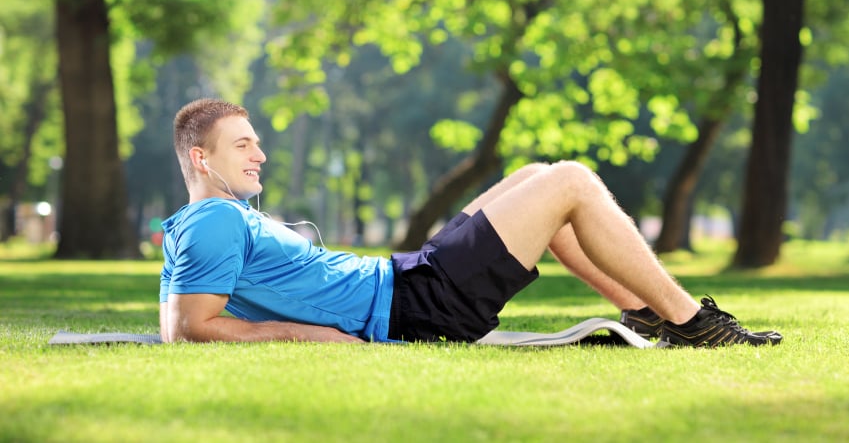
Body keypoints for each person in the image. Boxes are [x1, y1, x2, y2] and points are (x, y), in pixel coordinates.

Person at [159, 98, 782, 348]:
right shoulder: (214, 219)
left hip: (409, 281)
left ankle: (643, 311)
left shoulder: (200, 222)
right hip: (414, 306)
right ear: (200, 157)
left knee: (540, 173)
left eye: (255, 143)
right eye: (242, 146)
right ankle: (692, 324)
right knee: (570, 182)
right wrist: (303, 336)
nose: (259, 155)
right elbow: (189, 328)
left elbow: (175, 318)